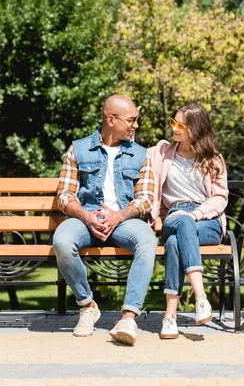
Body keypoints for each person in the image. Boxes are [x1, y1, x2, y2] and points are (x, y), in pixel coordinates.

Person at [53, 95, 157, 346]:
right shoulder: (78, 149)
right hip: (85, 218)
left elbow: (146, 197)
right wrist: (87, 216)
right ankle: (87, 305)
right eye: (131, 120)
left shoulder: (141, 154)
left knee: (147, 240)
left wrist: (119, 215)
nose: (136, 125)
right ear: (111, 119)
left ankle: (129, 317)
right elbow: (64, 195)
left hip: (123, 220)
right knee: (62, 240)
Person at [146, 102, 228, 339]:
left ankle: (170, 316)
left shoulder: (213, 159)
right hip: (174, 215)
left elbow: (220, 197)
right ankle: (200, 297)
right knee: (181, 223)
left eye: (181, 124)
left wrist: (195, 214)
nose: (175, 128)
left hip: (206, 219)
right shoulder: (162, 152)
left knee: (174, 244)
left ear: (196, 128)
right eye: (173, 122)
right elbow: (132, 149)